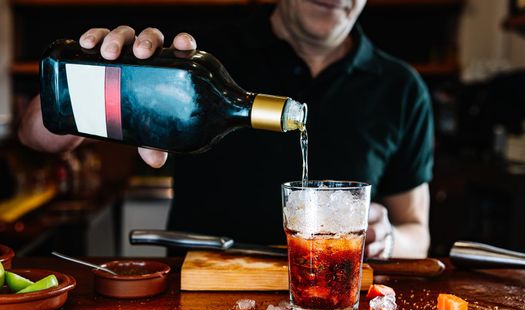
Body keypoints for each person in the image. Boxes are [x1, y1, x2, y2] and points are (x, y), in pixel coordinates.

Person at [18, 0, 433, 258]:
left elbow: (419, 234)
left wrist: (389, 241)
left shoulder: (401, 88)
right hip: (196, 300)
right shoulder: (202, 57)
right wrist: (94, 74)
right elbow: (36, 133)